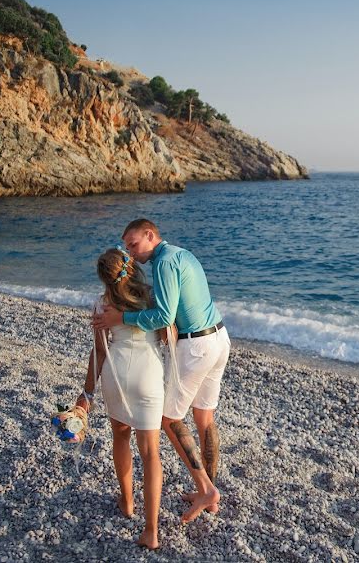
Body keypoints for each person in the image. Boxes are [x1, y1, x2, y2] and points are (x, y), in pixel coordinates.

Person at [93, 218, 230, 524]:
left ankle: (207, 490)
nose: (131, 252)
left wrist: (121, 319)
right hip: (219, 337)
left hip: (195, 346)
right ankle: (207, 490)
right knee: (204, 417)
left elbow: (164, 316)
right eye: (126, 247)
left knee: (169, 419)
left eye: (133, 244)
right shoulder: (183, 254)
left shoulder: (164, 264)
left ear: (150, 235)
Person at [77, 247, 165, 549]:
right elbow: (167, 332)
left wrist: (86, 392)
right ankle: (151, 530)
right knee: (151, 452)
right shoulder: (152, 298)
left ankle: (127, 502)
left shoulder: (102, 305)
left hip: (116, 372)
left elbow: (99, 351)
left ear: (103, 277)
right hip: (148, 374)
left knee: (120, 437)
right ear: (130, 269)